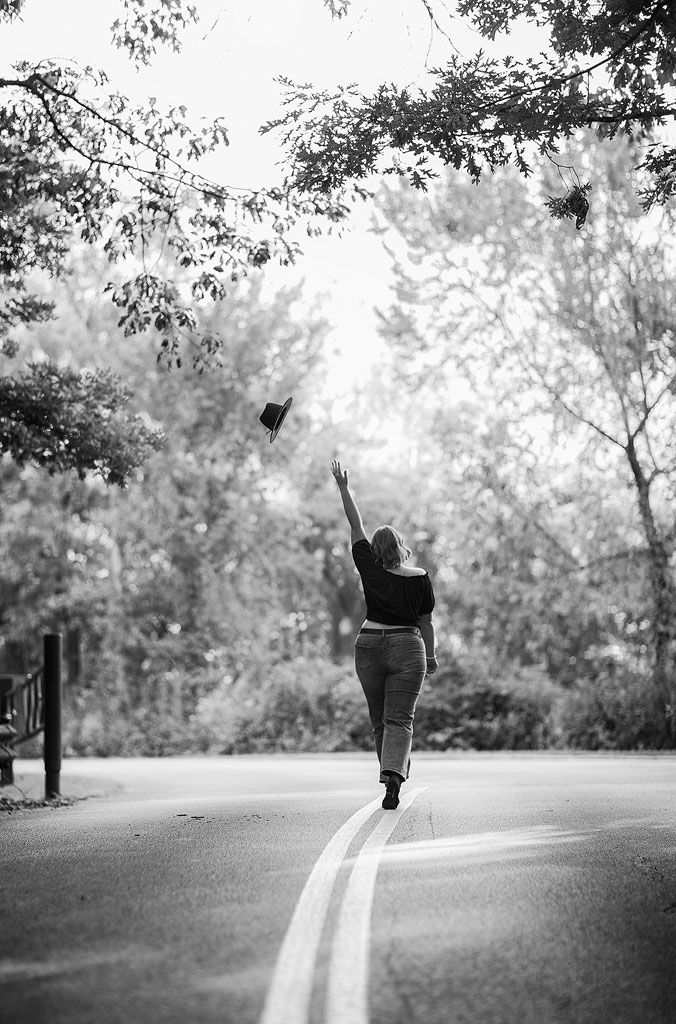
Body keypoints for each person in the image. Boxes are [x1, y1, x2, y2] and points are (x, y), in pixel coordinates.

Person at [330, 459, 438, 809]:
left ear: (375, 550)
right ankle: (393, 775)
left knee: (380, 720)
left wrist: (344, 488)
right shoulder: (419, 577)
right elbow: (426, 623)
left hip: (368, 647)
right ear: (401, 546)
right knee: (399, 719)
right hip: (408, 648)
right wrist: (431, 656)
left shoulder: (369, 567)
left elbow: (355, 523)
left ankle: (390, 775)